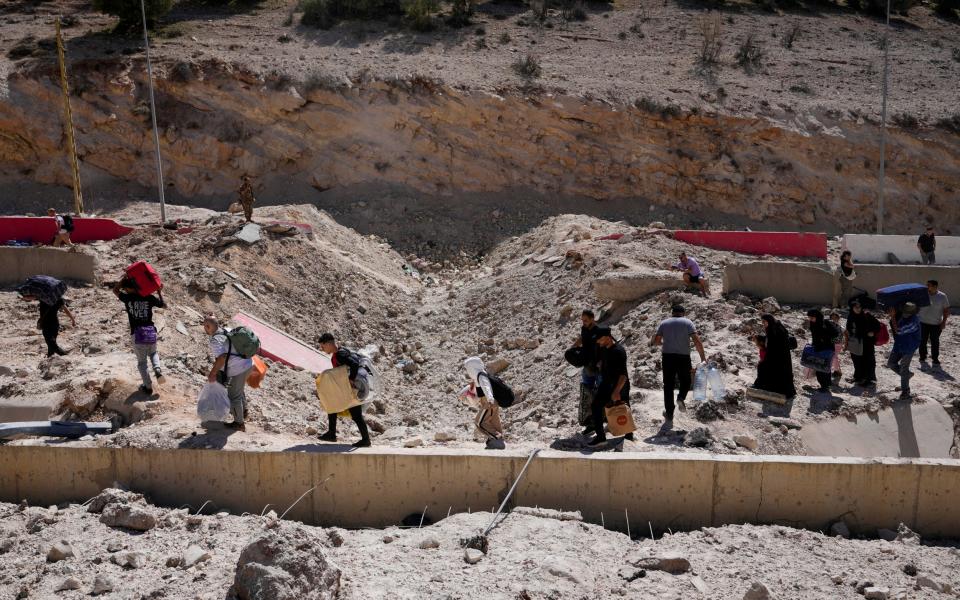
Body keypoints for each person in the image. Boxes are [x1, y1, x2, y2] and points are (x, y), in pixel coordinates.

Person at [651, 304, 706, 430]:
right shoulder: (687, 322)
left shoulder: (664, 323)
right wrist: (703, 358)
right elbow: (697, 341)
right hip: (683, 357)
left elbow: (657, 341)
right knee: (686, 380)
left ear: (672, 313)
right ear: (683, 313)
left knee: (668, 385)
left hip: (668, 357)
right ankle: (681, 397)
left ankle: (669, 414)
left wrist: (666, 342)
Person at [318, 333, 371, 448]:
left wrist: (351, 380)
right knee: (332, 406)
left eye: (323, 346)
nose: (322, 349)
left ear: (328, 344)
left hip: (350, 388)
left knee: (356, 415)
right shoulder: (340, 352)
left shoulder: (340, 354)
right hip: (345, 388)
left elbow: (354, 364)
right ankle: (331, 434)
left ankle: (366, 440)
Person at [114, 278, 165, 395]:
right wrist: (159, 292)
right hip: (151, 331)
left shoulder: (127, 298)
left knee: (142, 363)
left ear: (127, 288)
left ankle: (148, 387)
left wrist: (124, 277)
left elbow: (115, 290)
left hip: (137, 333)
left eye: (125, 289)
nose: (124, 290)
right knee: (153, 353)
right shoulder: (148, 297)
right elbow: (163, 305)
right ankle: (157, 368)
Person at [204, 316, 253, 431]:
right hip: (248, 363)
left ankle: (239, 423)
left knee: (233, 396)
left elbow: (222, 358)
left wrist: (212, 373)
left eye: (204, 326)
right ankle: (243, 412)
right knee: (238, 390)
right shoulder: (227, 330)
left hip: (238, 369)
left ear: (208, 326)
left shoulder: (215, 340)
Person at [588, 329, 632, 446]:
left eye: (600, 339)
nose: (598, 342)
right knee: (596, 405)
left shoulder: (619, 351)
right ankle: (601, 437)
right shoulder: (604, 348)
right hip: (607, 383)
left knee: (623, 406)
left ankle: (629, 436)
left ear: (607, 337)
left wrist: (617, 390)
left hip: (619, 384)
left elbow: (623, 375)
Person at [459, 357, 506, 450]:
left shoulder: (481, 376)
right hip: (492, 402)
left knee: (480, 422)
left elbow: (486, 387)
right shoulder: (481, 376)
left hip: (489, 403)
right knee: (493, 421)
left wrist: (489, 397)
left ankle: (497, 438)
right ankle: (497, 441)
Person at [19, 285, 75, 357]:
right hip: (54, 324)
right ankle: (50, 357)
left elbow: (31, 297)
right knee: (51, 343)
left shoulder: (44, 297)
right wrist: (72, 319)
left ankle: (64, 355)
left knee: (51, 343)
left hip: (46, 324)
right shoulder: (58, 299)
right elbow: (66, 310)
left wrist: (23, 298)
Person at [573, 309, 603, 436]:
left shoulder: (600, 331)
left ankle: (602, 422)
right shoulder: (584, 329)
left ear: (592, 319)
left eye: (586, 320)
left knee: (600, 396)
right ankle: (590, 423)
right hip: (587, 367)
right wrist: (574, 347)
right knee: (587, 394)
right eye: (582, 320)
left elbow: (605, 346)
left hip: (600, 368)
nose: (584, 322)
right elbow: (581, 339)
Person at [753, 314, 796, 399]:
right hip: (775, 355)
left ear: (769, 321)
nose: (763, 324)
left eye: (764, 322)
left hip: (779, 357)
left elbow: (776, 344)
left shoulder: (777, 329)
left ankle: (765, 387)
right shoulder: (773, 328)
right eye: (763, 322)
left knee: (764, 367)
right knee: (764, 367)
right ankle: (766, 387)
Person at [886, 303, 921, 398]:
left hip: (909, 346)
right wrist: (893, 317)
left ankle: (906, 391)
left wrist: (893, 317)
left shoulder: (913, 321)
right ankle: (906, 375)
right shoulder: (903, 316)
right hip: (899, 344)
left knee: (903, 367)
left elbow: (898, 330)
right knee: (891, 364)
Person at [844, 299, 881, 386]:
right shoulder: (851, 316)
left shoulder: (866, 315)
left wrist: (873, 332)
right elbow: (849, 328)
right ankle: (858, 377)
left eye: (859, 307)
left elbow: (878, 325)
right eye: (856, 307)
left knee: (868, 360)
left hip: (867, 342)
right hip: (855, 342)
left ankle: (869, 380)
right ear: (852, 308)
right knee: (856, 360)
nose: (858, 309)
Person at [918, 280, 949, 368]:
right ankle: (922, 357)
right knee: (922, 341)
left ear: (935, 286)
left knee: (935, 342)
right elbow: (917, 306)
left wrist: (944, 322)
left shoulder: (942, 296)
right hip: (922, 322)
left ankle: (935, 358)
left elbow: (946, 310)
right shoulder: (923, 294)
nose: (927, 287)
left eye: (929, 285)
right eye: (926, 285)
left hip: (936, 324)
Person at [805, 309, 837, 393]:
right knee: (818, 367)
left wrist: (825, 338)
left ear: (817, 316)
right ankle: (823, 385)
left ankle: (825, 386)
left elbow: (836, 334)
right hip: (817, 348)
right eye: (809, 317)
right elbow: (814, 335)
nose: (810, 319)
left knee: (824, 367)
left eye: (812, 317)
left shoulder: (825, 323)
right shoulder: (813, 323)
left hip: (826, 349)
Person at [829, 311, 844, 381]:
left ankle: (837, 371)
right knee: (834, 357)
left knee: (834, 357)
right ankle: (837, 370)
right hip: (831, 344)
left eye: (835, 318)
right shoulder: (828, 325)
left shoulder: (840, 326)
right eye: (832, 318)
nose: (834, 319)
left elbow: (845, 334)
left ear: (838, 318)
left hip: (838, 344)